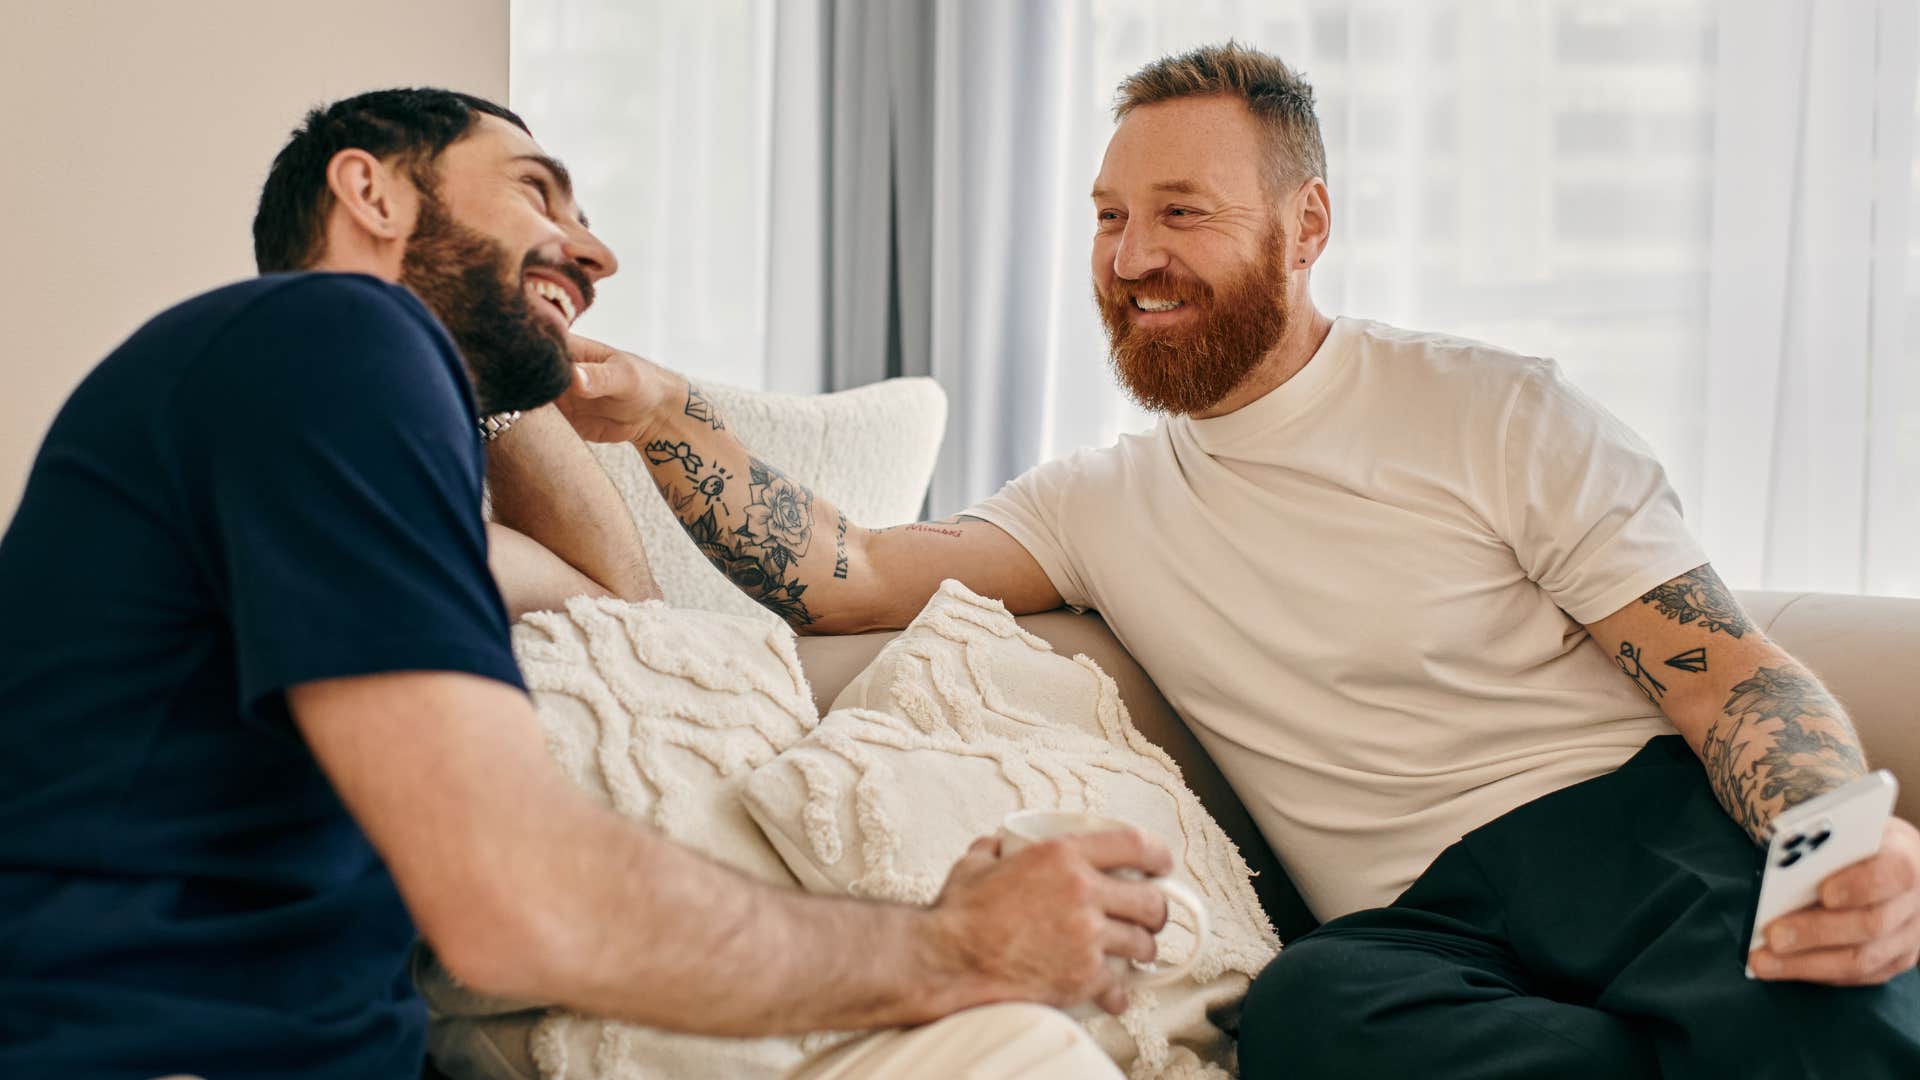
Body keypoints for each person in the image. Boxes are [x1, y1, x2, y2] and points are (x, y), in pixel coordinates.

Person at [553, 43, 1920, 1076]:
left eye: (1182, 213)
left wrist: (1830, 843)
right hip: (1408, 928)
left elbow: (1730, 677)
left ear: (1305, 227)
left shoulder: (1496, 410)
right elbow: (841, 577)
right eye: (1106, 216)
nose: (1133, 256)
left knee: (1818, 1003)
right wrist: (663, 415)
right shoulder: (1099, 501)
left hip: (1620, 827)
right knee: (1304, 1025)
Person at [0, 88, 1168, 1080]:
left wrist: (510, 373)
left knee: (1008, 1045)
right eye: (536, 193)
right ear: (373, 194)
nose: (597, 251)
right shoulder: (332, 333)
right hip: (134, 1048)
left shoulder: (320, 433)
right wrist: (955, 948)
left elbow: (625, 629)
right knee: (1005, 1047)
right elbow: (514, 896)